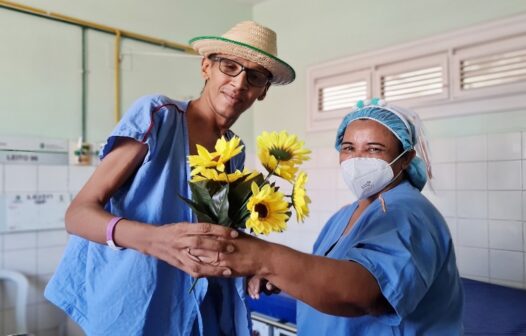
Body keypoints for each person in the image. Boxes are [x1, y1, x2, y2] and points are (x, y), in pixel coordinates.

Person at [44, 20, 295, 336]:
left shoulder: (235, 151)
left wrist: (251, 268)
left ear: (263, 90)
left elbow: (217, 232)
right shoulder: (157, 116)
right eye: (229, 66)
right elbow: (77, 214)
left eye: (255, 76)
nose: (240, 82)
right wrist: (153, 239)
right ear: (206, 66)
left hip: (197, 310)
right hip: (133, 302)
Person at [203, 99, 464, 335]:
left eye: (374, 149)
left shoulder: (407, 214)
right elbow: (327, 274)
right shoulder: (347, 214)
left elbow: (362, 294)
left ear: (405, 158)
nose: (357, 159)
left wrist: (263, 259)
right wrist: (282, 277)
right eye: (349, 148)